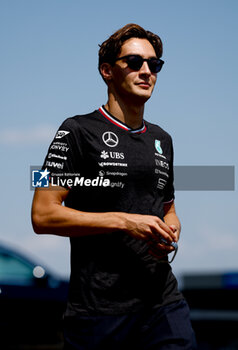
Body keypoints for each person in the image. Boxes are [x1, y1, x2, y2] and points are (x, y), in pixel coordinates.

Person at [31, 23, 197, 350]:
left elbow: (168, 208)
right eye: (134, 62)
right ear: (107, 71)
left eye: (155, 64)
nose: (146, 71)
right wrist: (124, 221)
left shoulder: (163, 139)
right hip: (99, 314)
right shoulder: (74, 131)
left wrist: (171, 228)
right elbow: (42, 215)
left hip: (163, 305)